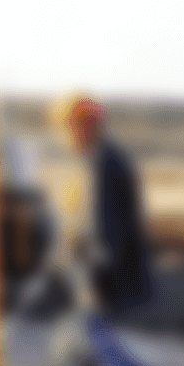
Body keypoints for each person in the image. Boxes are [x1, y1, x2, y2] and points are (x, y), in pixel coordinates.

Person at [61, 93, 154, 316]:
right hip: (113, 276)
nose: (69, 134)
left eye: (74, 127)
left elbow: (105, 229)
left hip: (114, 282)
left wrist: (93, 275)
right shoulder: (98, 158)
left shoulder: (106, 164)